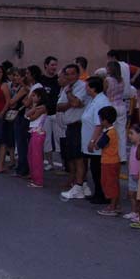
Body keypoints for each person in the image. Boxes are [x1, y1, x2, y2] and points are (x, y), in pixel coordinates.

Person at [59, 66, 90, 201]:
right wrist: (69, 102)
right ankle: (81, 184)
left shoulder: (81, 87)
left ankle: (79, 185)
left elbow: (77, 102)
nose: (70, 77)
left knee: (79, 157)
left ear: (78, 74)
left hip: (79, 125)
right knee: (72, 156)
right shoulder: (66, 88)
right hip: (70, 125)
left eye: (72, 74)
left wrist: (70, 96)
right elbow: (59, 106)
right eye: (67, 74)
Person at [95, 106, 121, 216]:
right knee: (113, 182)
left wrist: (96, 139)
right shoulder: (113, 131)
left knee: (109, 183)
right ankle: (115, 204)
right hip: (113, 160)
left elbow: (98, 145)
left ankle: (112, 206)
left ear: (105, 120)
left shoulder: (108, 133)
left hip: (109, 161)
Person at [41, 56, 60, 171]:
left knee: (59, 139)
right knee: (46, 139)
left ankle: (63, 162)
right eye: (52, 65)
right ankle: (49, 162)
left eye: (55, 65)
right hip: (45, 113)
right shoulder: (41, 80)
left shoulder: (58, 79)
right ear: (46, 65)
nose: (54, 67)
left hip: (57, 113)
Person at [105, 61, 127, 162]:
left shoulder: (107, 80)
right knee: (121, 132)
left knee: (110, 131)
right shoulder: (121, 80)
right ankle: (123, 157)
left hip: (111, 106)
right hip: (121, 106)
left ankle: (112, 153)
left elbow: (104, 92)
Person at [26, 88, 48, 188]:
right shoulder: (36, 107)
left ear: (40, 97)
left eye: (34, 95)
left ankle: (38, 180)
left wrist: (33, 110)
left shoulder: (42, 107)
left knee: (36, 157)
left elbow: (32, 117)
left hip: (38, 132)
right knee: (31, 155)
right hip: (34, 132)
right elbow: (27, 115)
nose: (32, 97)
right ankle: (34, 177)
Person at [123, 123, 140, 222]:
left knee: (139, 196)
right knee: (132, 194)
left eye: (132, 133)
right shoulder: (132, 147)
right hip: (132, 174)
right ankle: (134, 211)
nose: (129, 136)